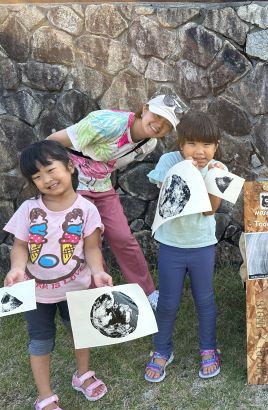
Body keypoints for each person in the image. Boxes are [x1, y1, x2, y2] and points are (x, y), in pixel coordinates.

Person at [3, 141, 112, 410]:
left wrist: (98, 272)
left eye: (50, 170)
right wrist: (16, 267)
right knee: (39, 341)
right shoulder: (29, 210)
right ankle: (45, 395)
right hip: (35, 291)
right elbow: (19, 247)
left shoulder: (87, 209)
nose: (47, 180)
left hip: (76, 287)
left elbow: (91, 249)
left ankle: (83, 374)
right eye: (37, 177)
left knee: (81, 331)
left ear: (70, 166)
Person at [46, 94, 187, 308]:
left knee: (123, 237)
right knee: (89, 240)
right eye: (157, 116)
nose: (159, 125)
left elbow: (109, 163)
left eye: (167, 124)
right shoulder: (106, 122)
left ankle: (147, 293)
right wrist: (56, 185)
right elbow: (52, 142)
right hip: (73, 185)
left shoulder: (148, 144)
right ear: (145, 108)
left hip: (102, 185)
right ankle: (97, 296)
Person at [144, 111, 225, 382]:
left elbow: (209, 211)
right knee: (167, 301)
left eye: (207, 145)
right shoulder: (169, 161)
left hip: (202, 244)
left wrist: (212, 180)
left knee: (205, 300)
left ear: (216, 146)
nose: (199, 151)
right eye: (192, 143)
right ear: (180, 144)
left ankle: (208, 348)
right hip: (171, 244)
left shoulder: (218, 169)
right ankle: (162, 349)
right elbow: (167, 198)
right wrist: (186, 170)